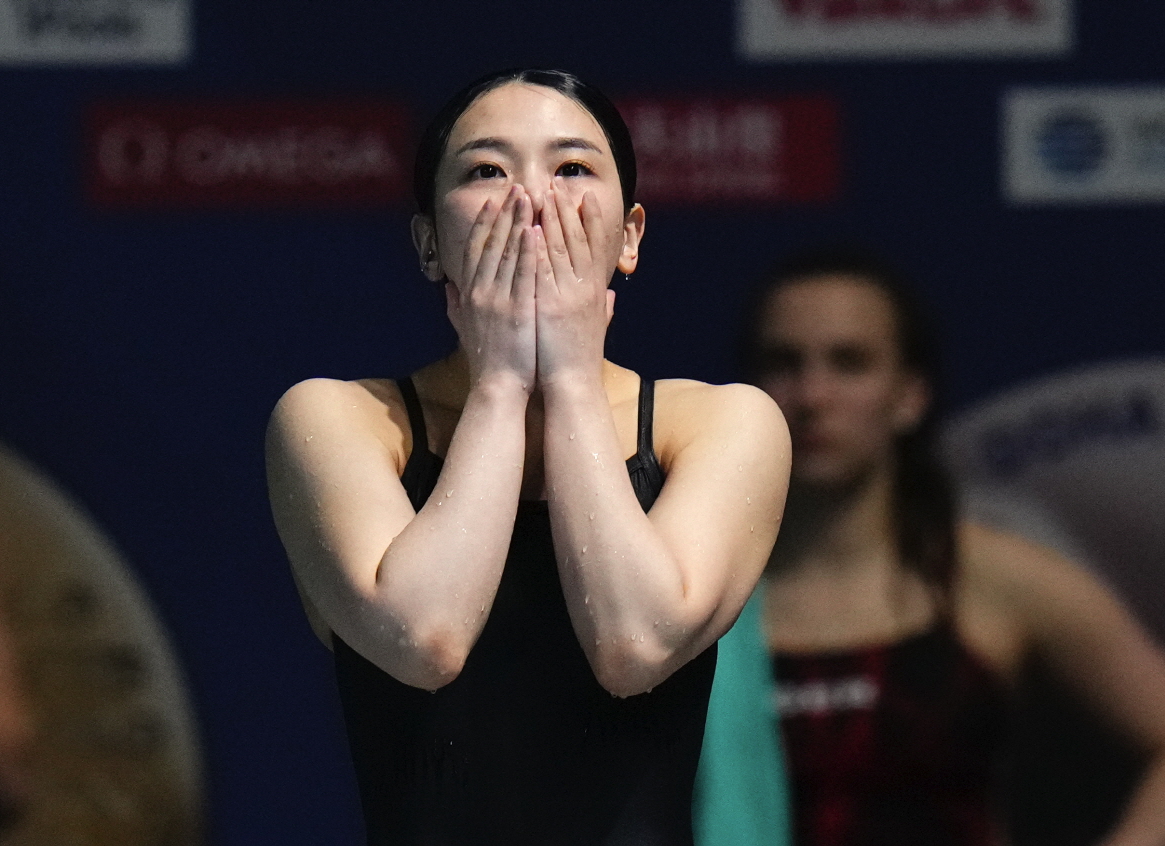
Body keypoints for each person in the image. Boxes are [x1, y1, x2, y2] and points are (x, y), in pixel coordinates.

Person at [265, 68, 790, 845]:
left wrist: (572, 379)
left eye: (572, 168)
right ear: (428, 243)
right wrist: (503, 381)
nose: (531, 201)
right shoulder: (342, 419)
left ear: (630, 235)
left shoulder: (723, 424)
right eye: (486, 171)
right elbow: (425, 637)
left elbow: (633, 646)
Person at [738, 245, 1165, 846]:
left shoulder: (991, 577)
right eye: (784, 363)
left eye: (850, 363)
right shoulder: (699, 588)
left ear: (909, 394)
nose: (813, 395)